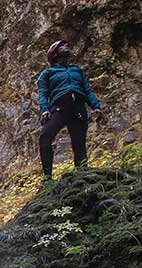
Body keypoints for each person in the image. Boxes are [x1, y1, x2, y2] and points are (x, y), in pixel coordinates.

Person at [36, 40, 103, 179]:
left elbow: (87, 90)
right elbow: (43, 94)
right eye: (62, 46)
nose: (67, 47)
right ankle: (47, 177)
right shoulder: (48, 73)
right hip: (58, 108)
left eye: (67, 45)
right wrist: (45, 110)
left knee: (79, 142)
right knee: (45, 136)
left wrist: (96, 106)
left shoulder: (77, 70)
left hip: (78, 106)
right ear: (54, 53)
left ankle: (82, 174)